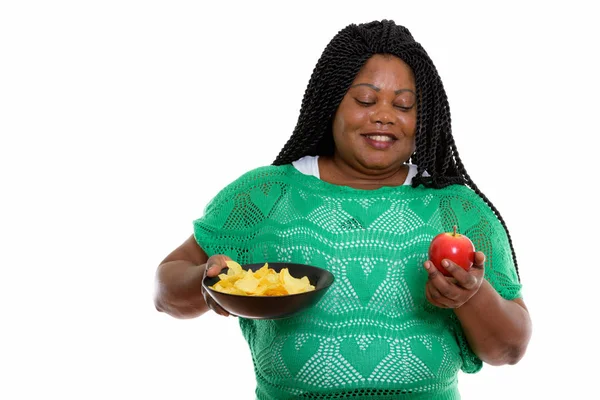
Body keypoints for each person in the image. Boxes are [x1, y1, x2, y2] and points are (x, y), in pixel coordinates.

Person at [154, 20, 532, 399]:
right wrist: (207, 283)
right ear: (331, 101)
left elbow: (510, 349)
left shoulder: (455, 207)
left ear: (423, 116)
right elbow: (165, 289)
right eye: (366, 100)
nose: (384, 115)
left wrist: (471, 295)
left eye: (403, 105)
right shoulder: (265, 194)